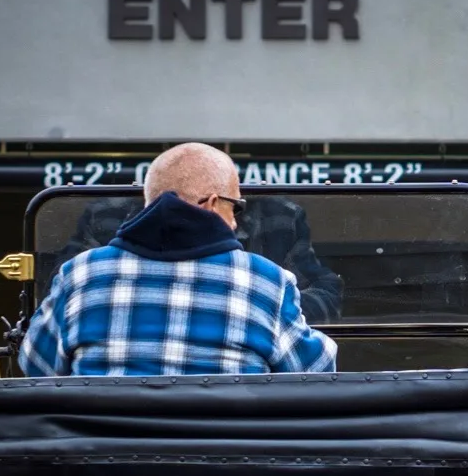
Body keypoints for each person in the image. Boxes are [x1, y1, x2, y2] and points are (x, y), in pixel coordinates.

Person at [17, 143, 337, 376]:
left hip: (105, 463)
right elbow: (316, 372)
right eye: (235, 207)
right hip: (225, 464)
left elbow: (35, 364)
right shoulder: (267, 282)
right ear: (212, 204)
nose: (237, 222)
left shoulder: (80, 275)